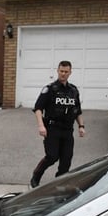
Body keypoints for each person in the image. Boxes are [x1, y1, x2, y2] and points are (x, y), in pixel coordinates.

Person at [30, 60, 84, 188]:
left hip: (67, 130)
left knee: (66, 160)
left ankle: (59, 183)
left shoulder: (73, 91)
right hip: (52, 128)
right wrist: (41, 126)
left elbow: (77, 111)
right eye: (61, 71)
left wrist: (81, 126)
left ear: (70, 72)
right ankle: (36, 175)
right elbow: (38, 108)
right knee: (52, 156)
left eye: (66, 72)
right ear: (57, 71)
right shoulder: (49, 89)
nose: (63, 74)